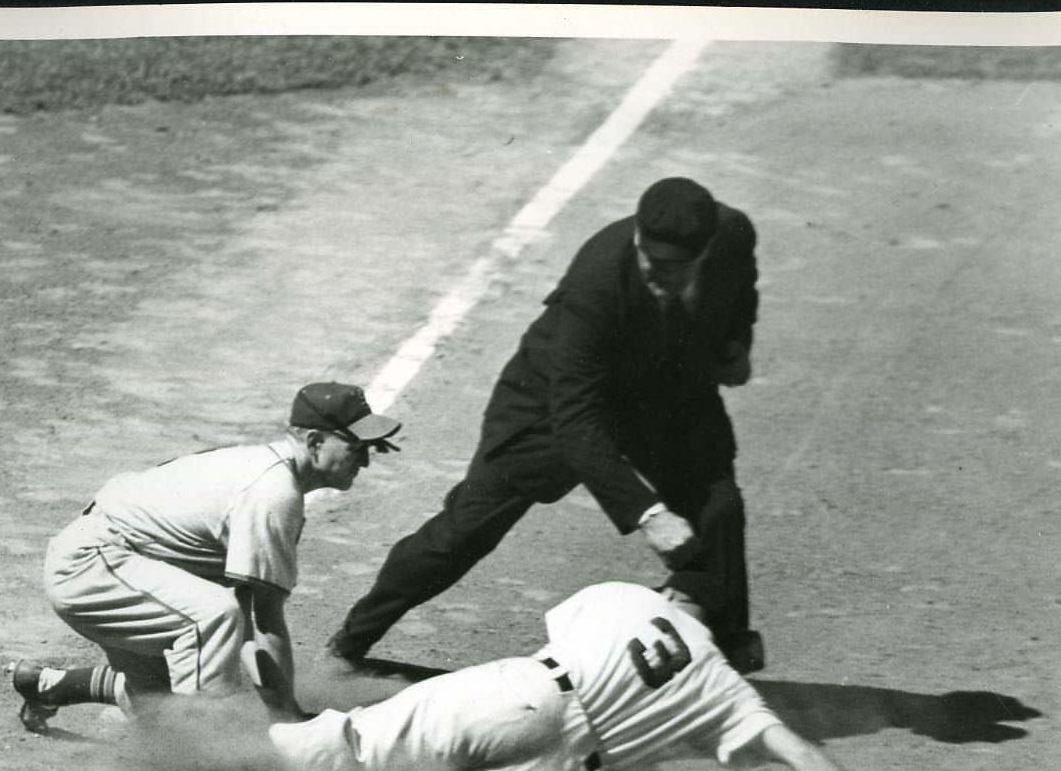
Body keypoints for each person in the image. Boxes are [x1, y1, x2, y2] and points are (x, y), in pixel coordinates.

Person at [326, 177, 764, 674]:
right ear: (637, 238)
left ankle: (723, 650)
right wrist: (649, 513)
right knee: (465, 532)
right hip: (552, 403)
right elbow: (577, 421)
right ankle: (348, 646)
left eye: (677, 269)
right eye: (653, 265)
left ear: (705, 249)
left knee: (718, 505)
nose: (662, 279)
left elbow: (741, 287)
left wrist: (735, 343)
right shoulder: (596, 282)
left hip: (661, 388)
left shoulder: (731, 232)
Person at [273, 582, 887, 771]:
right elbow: (803, 757)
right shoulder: (729, 689)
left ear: (675, 596)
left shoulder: (627, 596)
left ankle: (226, 770)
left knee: (359, 742)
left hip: (527, 697)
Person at [8, 382, 401, 731]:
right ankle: (212, 760)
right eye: (357, 448)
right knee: (213, 619)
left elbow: (250, 621)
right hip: (94, 566)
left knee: (162, 708)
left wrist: (279, 711)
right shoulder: (271, 495)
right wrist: (289, 720)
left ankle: (48, 685)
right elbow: (265, 621)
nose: (365, 461)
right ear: (315, 443)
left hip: (122, 563)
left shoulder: (269, 474)